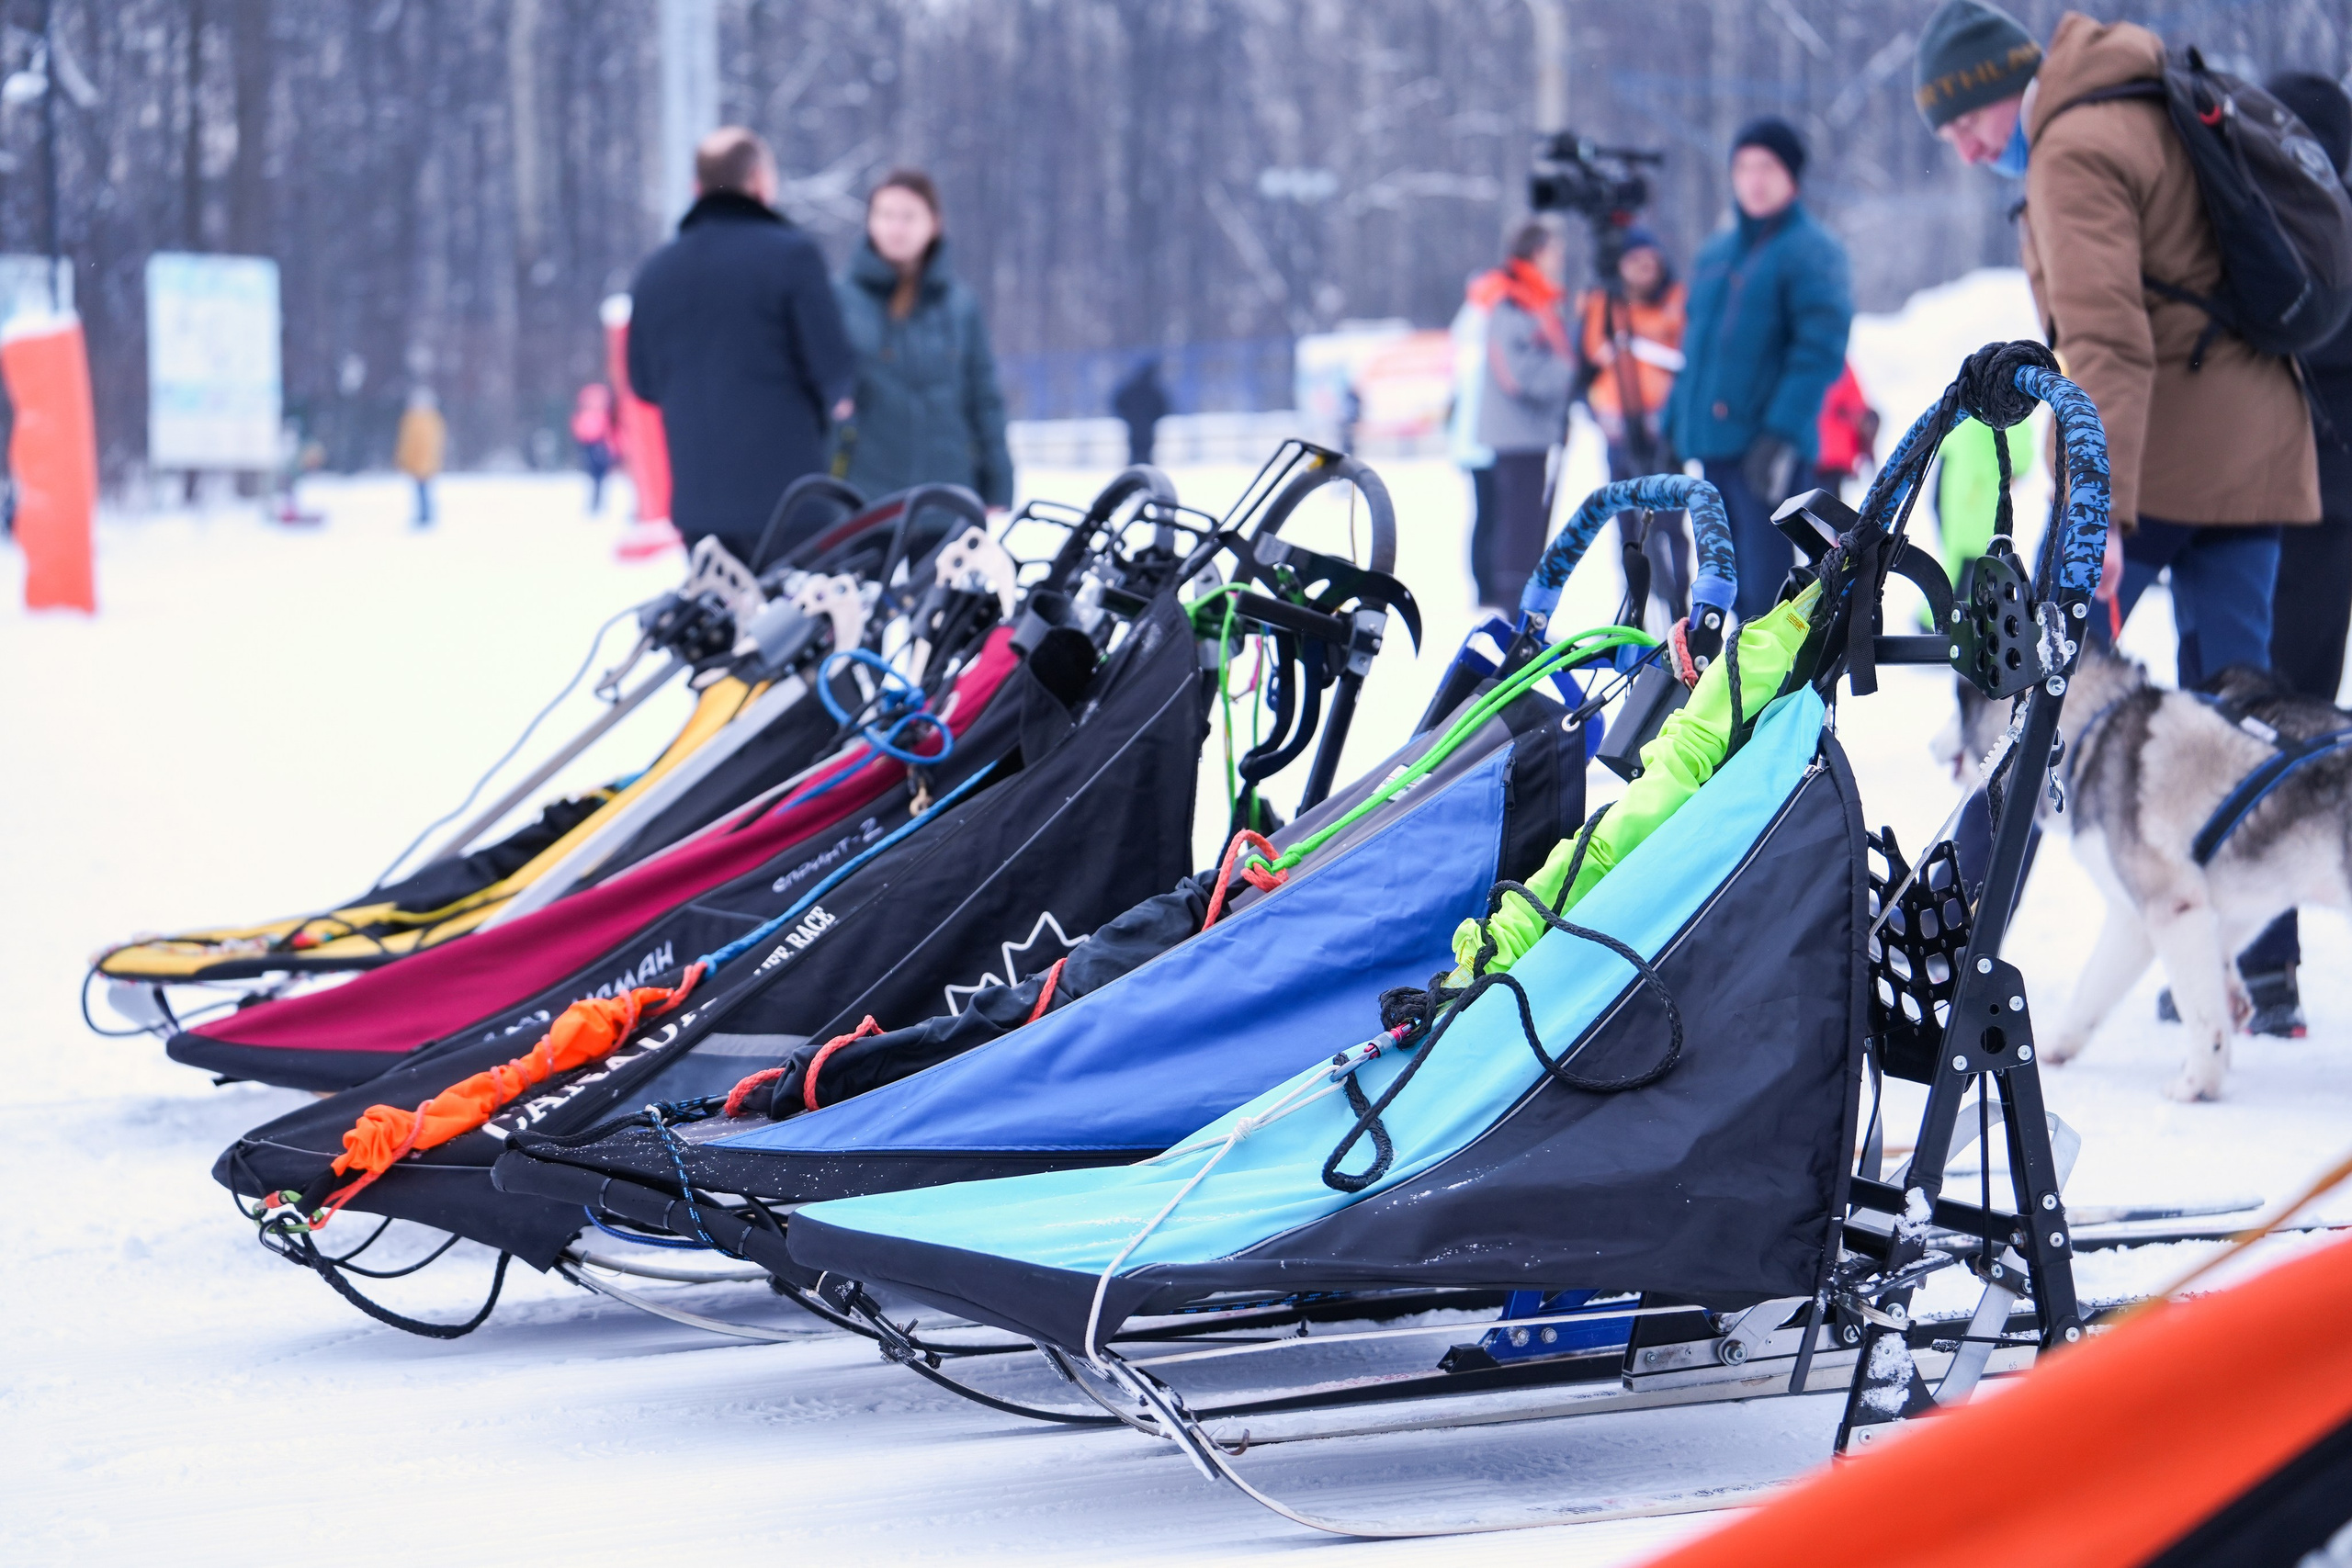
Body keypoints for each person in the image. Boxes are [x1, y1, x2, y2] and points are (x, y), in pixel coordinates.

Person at [1918, 4, 2323, 1027]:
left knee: (2030, 696)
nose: (1967, 153)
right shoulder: (2132, 97)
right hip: (2250, 443)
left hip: (2151, 461)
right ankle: (2253, 971)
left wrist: (2095, 515)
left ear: (1999, 89)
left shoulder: (2070, 145)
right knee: (2236, 714)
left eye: (1963, 123)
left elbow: (2104, 345)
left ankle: (1955, 951)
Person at [627, 127, 856, 559]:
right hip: (791, 504)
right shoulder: (793, 257)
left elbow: (643, 384)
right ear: (758, 181)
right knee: (798, 624)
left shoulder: (655, 270)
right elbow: (834, 369)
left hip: (698, 505)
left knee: (721, 624)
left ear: (697, 188)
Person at [1663, 118, 1854, 623]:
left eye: (1766, 167)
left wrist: (1781, 435)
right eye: (1743, 167)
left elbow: (1819, 351)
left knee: (1764, 589)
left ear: (1791, 176)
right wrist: (1670, 428)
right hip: (1713, 449)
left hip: (1766, 452)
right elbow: (1697, 351)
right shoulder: (1716, 253)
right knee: (1717, 582)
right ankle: (1720, 685)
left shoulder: (1812, 250)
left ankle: (1767, 694)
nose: (1754, 179)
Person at [832, 169, 1013, 511]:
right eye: (885, 215)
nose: (895, 228)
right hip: (861, 503)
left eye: (908, 216)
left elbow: (984, 400)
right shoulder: (838, 301)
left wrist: (998, 482)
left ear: (934, 223)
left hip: (947, 500)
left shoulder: (961, 307)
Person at [1577, 228, 1690, 620]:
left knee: (1672, 523)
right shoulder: (1604, 302)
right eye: (1635, 263)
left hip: (1665, 434)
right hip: (1619, 431)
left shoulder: (1675, 300)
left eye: (1650, 262)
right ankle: (1635, 606)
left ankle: (1680, 603)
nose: (1644, 271)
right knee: (1626, 524)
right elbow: (1586, 362)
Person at [1476, 220, 1576, 613]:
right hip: (1517, 436)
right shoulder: (1513, 302)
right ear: (1536, 253)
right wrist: (1572, 373)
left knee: (1526, 523)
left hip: (1528, 433)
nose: (1561, 257)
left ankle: (1523, 601)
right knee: (1519, 527)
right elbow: (1517, 373)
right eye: (1554, 249)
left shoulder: (1531, 300)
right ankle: (1515, 606)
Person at [1447, 268, 1503, 611]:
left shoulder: (1469, 333)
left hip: (1474, 447)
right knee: (1490, 518)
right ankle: (1487, 584)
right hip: (1485, 446)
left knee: (1486, 516)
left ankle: (1485, 583)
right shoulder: (1482, 336)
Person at [1814, 362, 1881, 499]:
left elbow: (1859, 410)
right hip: (1814, 458)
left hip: (1832, 461)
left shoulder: (1838, 366)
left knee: (1825, 512)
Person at [394, 387, 445, 528]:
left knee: (422, 490)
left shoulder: (420, 420)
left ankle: (425, 516)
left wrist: (412, 460)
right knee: (421, 490)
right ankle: (425, 515)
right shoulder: (430, 419)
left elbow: (419, 443)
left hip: (421, 462)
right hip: (421, 461)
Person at [1111, 358, 1170, 467]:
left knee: (1136, 451)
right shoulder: (1153, 390)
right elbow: (1164, 406)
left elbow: (1118, 402)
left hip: (1136, 426)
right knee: (1145, 451)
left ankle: (1135, 474)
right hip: (1145, 427)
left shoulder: (1132, 388)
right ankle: (1143, 474)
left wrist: (1128, 417)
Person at [571, 383, 616, 514]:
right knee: (597, 476)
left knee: (597, 476)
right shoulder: (599, 414)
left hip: (595, 444)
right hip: (594, 444)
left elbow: (580, 429)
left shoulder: (592, 413)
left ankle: (596, 503)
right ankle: (596, 503)